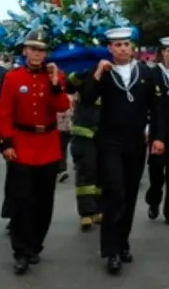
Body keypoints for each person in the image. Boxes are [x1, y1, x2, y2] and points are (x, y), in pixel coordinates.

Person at [79, 27, 165, 275]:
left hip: (136, 142)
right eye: (117, 45)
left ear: (132, 47)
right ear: (109, 48)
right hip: (109, 142)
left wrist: (158, 137)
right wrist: (97, 73)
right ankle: (111, 251)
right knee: (114, 192)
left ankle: (123, 242)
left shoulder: (146, 72)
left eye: (126, 44)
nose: (123, 49)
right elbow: (86, 100)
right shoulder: (103, 72)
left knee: (128, 195)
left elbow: (158, 108)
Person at [0, 29, 70, 275]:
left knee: (43, 200)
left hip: (47, 143)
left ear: (46, 53)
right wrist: (6, 144)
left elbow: (62, 106)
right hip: (22, 144)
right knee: (21, 199)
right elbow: (4, 112)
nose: (37, 54)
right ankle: (21, 250)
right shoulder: (13, 77)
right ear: (25, 50)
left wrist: (57, 83)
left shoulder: (55, 75)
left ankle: (35, 243)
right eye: (33, 49)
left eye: (41, 50)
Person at [145, 36, 169, 225]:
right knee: (156, 171)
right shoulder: (153, 73)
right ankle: (154, 200)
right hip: (157, 129)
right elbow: (146, 103)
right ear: (163, 53)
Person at [66, 71, 103, 230]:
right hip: (84, 130)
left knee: (103, 172)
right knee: (86, 170)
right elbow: (69, 85)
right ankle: (86, 212)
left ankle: (99, 209)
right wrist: (91, 70)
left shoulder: (114, 71)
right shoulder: (83, 70)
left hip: (106, 130)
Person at [56, 95, 74, 183]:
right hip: (61, 127)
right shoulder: (69, 96)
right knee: (61, 148)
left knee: (62, 148)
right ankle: (60, 169)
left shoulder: (68, 96)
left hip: (63, 127)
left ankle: (61, 170)